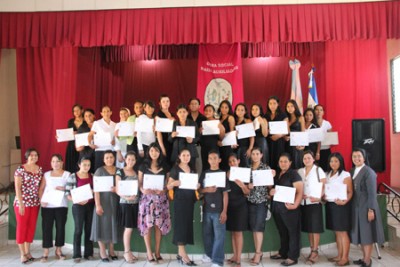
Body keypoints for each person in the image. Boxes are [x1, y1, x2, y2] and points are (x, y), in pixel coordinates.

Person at [350, 148, 385, 267]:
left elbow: (372, 194)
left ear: (364, 158)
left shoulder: (369, 172)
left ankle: (367, 260)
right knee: (361, 234)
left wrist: (371, 210)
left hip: (366, 208)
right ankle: (364, 257)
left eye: (359, 156)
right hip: (356, 208)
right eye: (354, 156)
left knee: (367, 234)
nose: (356, 159)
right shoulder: (352, 171)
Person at [138, 142, 171, 264]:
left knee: (159, 226)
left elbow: (168, 184)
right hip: (147, 201)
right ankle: (149, 253)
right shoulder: (143, 166)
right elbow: (139, 183)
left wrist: (164, 190)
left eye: (156, 151)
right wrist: (143, 190)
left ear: (159, 152)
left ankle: (157, 252)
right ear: (148, 152)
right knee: (147, 226)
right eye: (152, 151)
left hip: (161, 200)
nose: (154, 153)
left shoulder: (165, 166)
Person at [167, 148, 199, 266]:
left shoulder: (192, 169)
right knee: (180, 226)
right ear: (179, 156)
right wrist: (174, 183)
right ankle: (183, 254)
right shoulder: (175, 169)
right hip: (180, 201)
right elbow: (168, 186)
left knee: (186, 225)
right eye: (184, 155)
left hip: (189, 201)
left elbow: (194, 186)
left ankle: (180, 253)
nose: (186, 157)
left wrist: (197, 185)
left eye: (188, 155)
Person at [270, 153, 303, 266]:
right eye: (281, 161)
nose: (282, 163)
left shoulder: (293, 174)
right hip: (277, 209)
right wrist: (271, 191)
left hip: (290, 209)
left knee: (293, 232)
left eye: (285, 161)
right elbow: (272, 190)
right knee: (283, 232)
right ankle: (283, 252)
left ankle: (293, 257)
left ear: (290, 163)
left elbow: (300, 191)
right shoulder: (277, 174)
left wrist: (295, 205)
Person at [199, 150, 230, 267]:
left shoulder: (223, 174)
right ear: (207, 160)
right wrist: (207, 190)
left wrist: (224, 211)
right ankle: (209, 254)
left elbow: (225, 194)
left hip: (219, 210)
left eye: (215, 158)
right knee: (207, 234)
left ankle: (217, 261)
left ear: (219, 160)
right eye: (210, 158)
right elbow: (199, 190)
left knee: (219, 236)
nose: (212, 160)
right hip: (206, 210)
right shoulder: (204, 173)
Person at [90, 150, 121, 262]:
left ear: (114, 158)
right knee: (101, 226)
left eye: (111, 157)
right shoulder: (99, 171)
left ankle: (111, 251)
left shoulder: (118, 170)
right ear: (103, 159)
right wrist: (98, 205)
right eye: (107, 157)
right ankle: (102, 252)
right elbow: (96, 190)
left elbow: (122, 186)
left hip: (115, 202)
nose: (109, 159)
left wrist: (117, 189)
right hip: (102, 202)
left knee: (113, 225)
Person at [14, 148, 43, 264]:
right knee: (22, 227)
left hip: (35, 203)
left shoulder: (39, 169)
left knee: (31, 227)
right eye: (31, 155)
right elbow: (17, 188)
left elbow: (40, 186)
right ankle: (22, 254)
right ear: (27, 156)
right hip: (23, 203)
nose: (34, 157)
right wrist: (20, 203)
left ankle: (28, 252)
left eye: (36, 155)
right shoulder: (20, 169)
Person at [39, 154, 70, 262]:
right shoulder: (46, 174)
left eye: (57, 161)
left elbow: (71, 189)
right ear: (51, 163)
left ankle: (59, 250)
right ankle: (46, 252)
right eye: (53, 161)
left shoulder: (67, 174)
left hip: (61, 205)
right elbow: (41, 189)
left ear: (62, 162)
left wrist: (64, 188)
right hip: (47, 205)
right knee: (46, 228)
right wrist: (41, 200)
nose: (55, 164)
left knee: (60, 227)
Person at [297, 150, 326, 264]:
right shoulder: (300, 171)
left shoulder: (319, 170)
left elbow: (324, 185)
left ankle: (315, 251)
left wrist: (319, 198)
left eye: (309, 158)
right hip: (304, 203)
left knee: (315, 228)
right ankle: (311, 249)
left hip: (315, 203)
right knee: (309, 228)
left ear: (313, 159)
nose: (307, 160)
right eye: (305, 158)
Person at [324, 152, 353, 266]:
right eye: (331, 161)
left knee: (342, 232)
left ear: (340, 162)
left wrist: (345, 201)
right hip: (330, 205)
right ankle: (339, 255)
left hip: (341, 206)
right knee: (337, 232)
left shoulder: (345, 174)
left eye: (336, 161)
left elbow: (350, 192)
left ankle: (345, 258)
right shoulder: (327, 174)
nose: (333, 163)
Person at [247, 147, 274, 266]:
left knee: (259, 228)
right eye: (253, 154)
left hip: (261, 202)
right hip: (250, 201)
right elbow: (245, 187)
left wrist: (268, 179)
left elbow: (270, 186)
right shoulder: (247, 169)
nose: (255, 156)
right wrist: (248, 186)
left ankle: (258, 253)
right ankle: (257, 252)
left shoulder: (266, 168)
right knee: (254, 228)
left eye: (257, 154)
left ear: (261, 155)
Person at [65, 156, 95, 263]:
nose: (86, 167)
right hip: (78, 206)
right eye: (84, 165)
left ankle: (88, 253)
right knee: (78, 230)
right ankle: (76, 254)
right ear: (79, 165)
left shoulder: (92, 176)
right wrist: (76, 200)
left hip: (90, 206)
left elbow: (96, 191)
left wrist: (92, 191)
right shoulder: (73, 176)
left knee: (89, 229)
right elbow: (67, 194)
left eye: (88, 165)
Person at [226, 153, 249, 267]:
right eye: (230, 162)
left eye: (234, 161)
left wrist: (242, 185)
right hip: (230, 205)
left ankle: (239, 259)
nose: (232, 163)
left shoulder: (244, 173)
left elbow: (247, 192)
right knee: (233, 232)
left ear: (238, 161)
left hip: (240, 205)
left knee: (238, 233)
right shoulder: (227, 174)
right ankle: (235, 256)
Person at [116, 151, 139, 263]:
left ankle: (129, 252)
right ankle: (126, 252)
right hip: (125, 203)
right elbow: (118, 189)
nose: (130, 161)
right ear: (125, 159)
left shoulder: (136, 172)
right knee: (128, 228)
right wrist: (127, 197)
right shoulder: (120, 172)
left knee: (131, 228)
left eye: (133, 159)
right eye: (128, 159)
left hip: (135, 203)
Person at [169, 104, 199, 169]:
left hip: (190, 151)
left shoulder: (193, 123)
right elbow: (169, 139)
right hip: (177, 151)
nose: (182, 114)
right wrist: (172, 135)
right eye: (180, 112)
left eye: (184, 112)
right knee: (176, 172)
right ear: (177, 113)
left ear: (187, 113)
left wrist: (192, 140)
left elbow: (198, 137)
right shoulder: (173, 124)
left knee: (191, 171)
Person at [89, 105, 116, 170]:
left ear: (111, 112)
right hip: (100, 150)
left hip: (111, 150)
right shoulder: (97, 123)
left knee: (111, 170)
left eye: (108, 111)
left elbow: (115, 137)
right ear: (101, 113)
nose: (106, 113)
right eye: (104, 111)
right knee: (99, 169)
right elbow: (90, 135)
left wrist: (114, 141)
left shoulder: (114, 124)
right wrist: (90, 144)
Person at [199, 104, 225, 171]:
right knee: (205, 165)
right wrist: (199, 131)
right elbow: (199, 137)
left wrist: (222, 130)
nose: (207, 112)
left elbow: (221, 138)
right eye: (206, 110)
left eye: (210, 110)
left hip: (214, 147)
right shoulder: (202, 122)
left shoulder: (217, 122)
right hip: (204, 148)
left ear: (213, 112)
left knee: (214, 166)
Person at [265, 96, 288, 170]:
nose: (272, 105)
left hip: (279, 140)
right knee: (269, 158)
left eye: (274, 103)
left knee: (278, 158)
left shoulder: (283, 115)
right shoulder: (266, 115)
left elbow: (286, 130)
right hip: (268, 140)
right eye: (270, 103)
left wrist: (279, 135)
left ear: (278, 104)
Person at [65, 104, 86, 173]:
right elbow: (68, 134)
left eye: (78, 110)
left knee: (81, 163)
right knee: (71, 164)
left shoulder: (86, 121)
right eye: (74, 111)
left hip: (83, 145)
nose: (76, 112)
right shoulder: (70, 121)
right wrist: (61, 136)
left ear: (82, 111)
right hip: (72, 145)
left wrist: (78, 133)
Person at [188, 97, 207, 172]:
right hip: (188, 145)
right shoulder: (186, 117)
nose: (193, 105)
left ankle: (198, 183)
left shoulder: (204, 118)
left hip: (199, 146)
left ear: (199, 106)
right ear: (189, 106)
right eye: (192, 104)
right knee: (189, 166)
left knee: (199, 166)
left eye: (195, 104)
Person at [285, 100, 305, 169]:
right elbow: (285, 133)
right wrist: (285, 137)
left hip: (297, 145)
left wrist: (303, 145)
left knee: (297, 164)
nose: (289, 108)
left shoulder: (300, 118)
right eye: (288, 107)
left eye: (291, 106)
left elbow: (303, 132)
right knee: (288, 164)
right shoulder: (286, 118)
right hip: (287, 144)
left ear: (295, 107)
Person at [234, 103, 255, 167]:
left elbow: (252, 137)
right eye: (238, 110)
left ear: (245, 111)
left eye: (242, 110)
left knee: (245, 166)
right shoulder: (233, 121)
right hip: (235, 148)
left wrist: (250, 149)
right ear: (235, 111)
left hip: (245, 147)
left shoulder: (248, 121)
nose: (240, 111)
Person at [156, 94, 175, 164]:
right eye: (163, 101)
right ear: (160, 103)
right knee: (164, 163)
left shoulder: (172, 114)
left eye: (167, 101)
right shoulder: (158, 115)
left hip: (171, 142)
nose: (166, 103)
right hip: (163, 142)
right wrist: (162, 148)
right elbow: (158, 133)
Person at [218, 100, 236, 171]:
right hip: (220, 146)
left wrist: (233, 142)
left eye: (226, 107)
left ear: (229, 109)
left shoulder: (230, 118)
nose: (224, 109)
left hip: (228, 146)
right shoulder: (219, 119)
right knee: (221, 165)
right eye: (222, 107)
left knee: (228, 165)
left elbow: (232, 132)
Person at [76, 109, 96, 173]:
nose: (88, 117)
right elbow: (77, 146)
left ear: (94, 116)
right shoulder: (81, 128)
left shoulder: (98, 126)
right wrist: (78, 148)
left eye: (90, 115)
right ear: (84, 118)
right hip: (85, 154)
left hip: (96, 153)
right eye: (86, 116)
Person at [314, 104, 332, 171]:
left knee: (326, 169)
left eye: (321, 110)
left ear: (323, 112)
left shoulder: (327, 123)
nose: (319, 112)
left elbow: (331, 137)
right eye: (317, 110)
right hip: (314, 150)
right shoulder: (311, 123)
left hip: (325, 149)